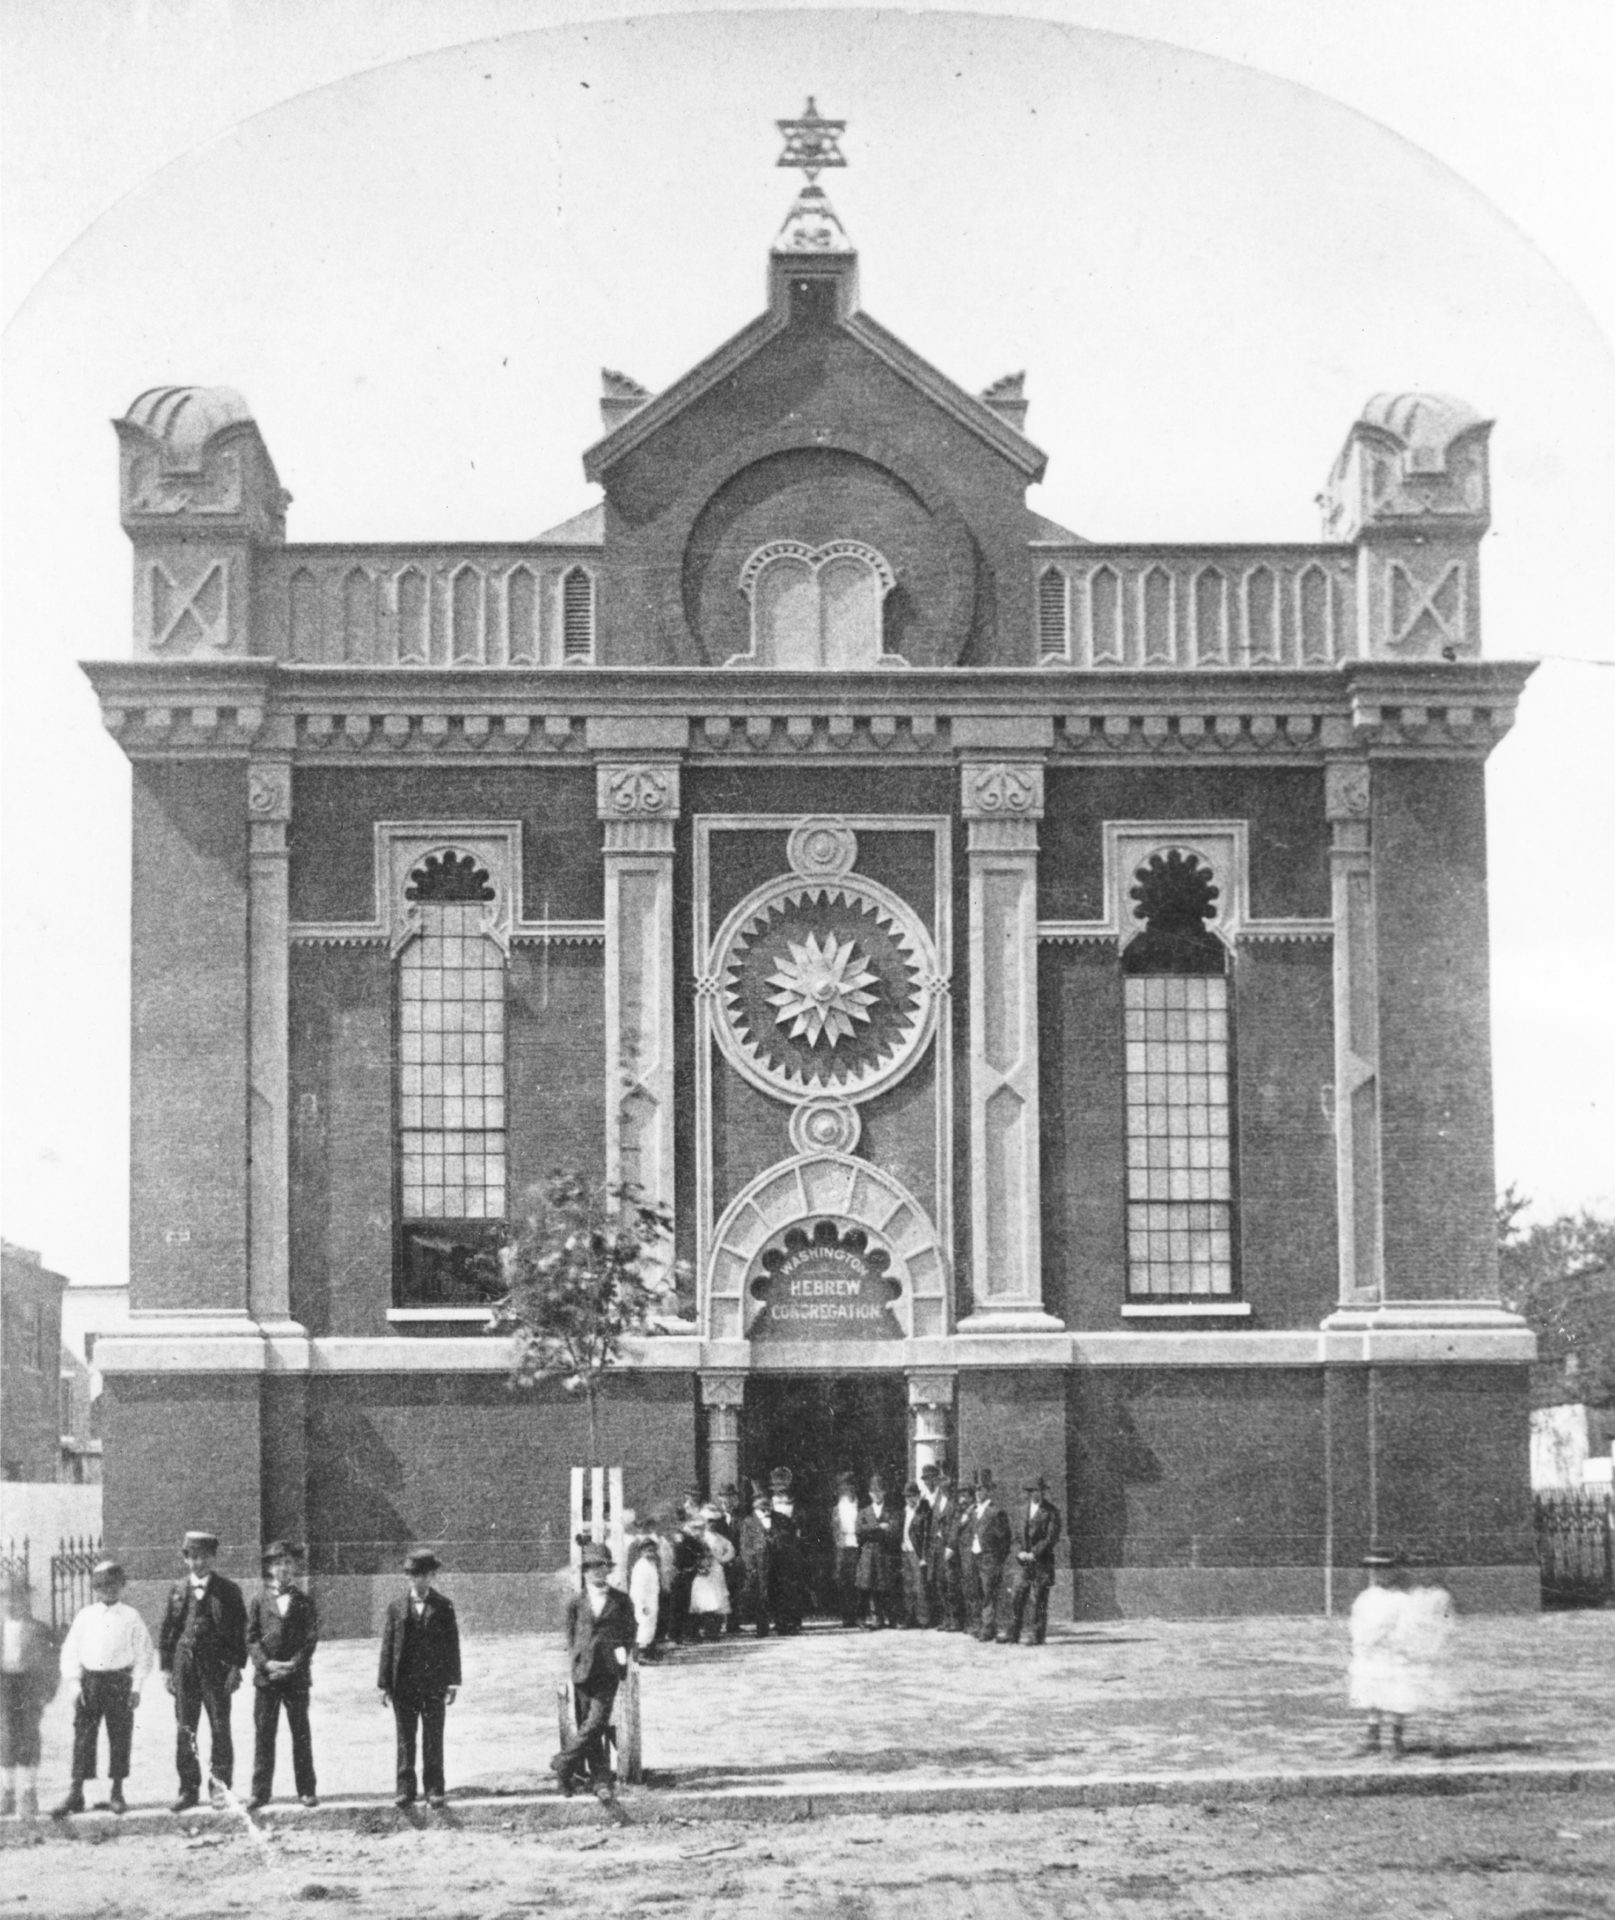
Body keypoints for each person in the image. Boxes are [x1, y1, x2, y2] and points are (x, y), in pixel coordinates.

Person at [52, 1559, 153, 1818]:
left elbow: (143, 1654)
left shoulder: (131, 1617)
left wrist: (137, 1686)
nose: (108, 1590)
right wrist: (75, 1685)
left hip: (120, 1682)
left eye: (113, 1584)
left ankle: (117, 1791)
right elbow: (70, 1652)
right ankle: (76, 1792)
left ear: (122, 1586)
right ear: (95, 1588)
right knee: (84, 1736)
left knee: (120, 1735)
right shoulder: (85, 1617)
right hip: (90, 1682)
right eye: (102, 1585)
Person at [158, 1529, 248, 1811]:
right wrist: (166, 1670)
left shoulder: (229, 1590)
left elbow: (239, 1632)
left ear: (213, 1558)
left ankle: (220, 1789)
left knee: (220, 1727)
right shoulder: (177, 1591)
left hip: (217, 1667)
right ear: (186, 1559)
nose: (199, 1563)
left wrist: (236, 1666)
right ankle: (188, 1789)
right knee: (186, 1728)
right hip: (185, 1667)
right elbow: (168, 1632)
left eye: (204, 1557)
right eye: (193, 1557)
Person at [377, 1548, 461, 1808]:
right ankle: (405, 1788)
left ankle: (435, 1788)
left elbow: (451, 1645)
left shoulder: (444, 1606)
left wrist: (453, 1681)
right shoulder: (396, 1607)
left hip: (433, 1683)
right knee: (405, 1737)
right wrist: (383, 1684)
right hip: (404, 1684)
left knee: (433, 1737)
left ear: (432, 1576)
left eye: (424, 1575)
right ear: (407, 1578)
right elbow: (388, 1647)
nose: (418, 1581)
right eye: (413, 1576)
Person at [551, 1543, 636, 1801]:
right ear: (584, 1572)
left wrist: (621, 1655)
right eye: (592, 1568)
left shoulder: (621, 1600)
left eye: (602, 1567)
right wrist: (575, 1662)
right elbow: (571, 1635)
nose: (597, 1572)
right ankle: (600, 1780)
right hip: (583, 1670)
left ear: (608, 1571)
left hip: (608, 1669)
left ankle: (563, 1761)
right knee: (589, 1725)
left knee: (597, 1720)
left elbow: (629, 1631)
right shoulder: (575, 1603)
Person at [246, 1540, 319, 1811]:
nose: (284, 1568)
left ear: (295, 1567)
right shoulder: (258, 1600)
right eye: (278, 1563)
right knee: (264, 1734)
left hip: (296, 1678)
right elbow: (251, 1637)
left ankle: (307, 1790)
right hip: (267, 1680)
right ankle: (260, 1792)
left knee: (301, 1733)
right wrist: (266, 1664)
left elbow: (311, 1638)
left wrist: (294, 1663)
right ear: (270, 1568)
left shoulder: (304, 1601)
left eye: (288, 1563)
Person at [2, 1572, 60, 1819]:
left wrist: (47, 1691)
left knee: (28, 1737)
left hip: (29, 1687)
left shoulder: (39, 1629)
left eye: (18, 1596)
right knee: (5, 1738)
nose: (12, 1602)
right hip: (4, 1687)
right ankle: (7, 1792)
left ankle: (28, 1792)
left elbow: (51, 1664)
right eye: (6, 1597)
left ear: (27, 1598)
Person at [1348, 1544, 1412, 1756]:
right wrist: (1361, 1643)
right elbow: (1356, 1624)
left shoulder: (1402, 1599)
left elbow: (1405, 1629)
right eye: (1375, 1568)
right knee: (1370, 1695)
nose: (1379, 1573)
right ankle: (1372, 1738)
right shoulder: (1365, 1597)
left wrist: (1388, 1641)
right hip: (1369, 1655)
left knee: (1396, 1695)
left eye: (1385, 1568)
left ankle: (1396, 1740)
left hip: (1392, 1655)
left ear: (1394, 1570)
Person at [1001, 1476, 1063, 1645]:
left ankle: (1037, 1635)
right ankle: (1013, 1632)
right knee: (1017, 1597)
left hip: (1042, 1562)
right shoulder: (1021, 1511)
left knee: (1039, 1599)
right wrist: (1019, 1552)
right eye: (1033, 1491)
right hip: (1023, 1563)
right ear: (1029, 1493)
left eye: (1039, 1491)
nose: (1037, 1494)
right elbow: (1015, 1537)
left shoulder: (1051, 1512)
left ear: (1043, 1492)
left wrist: (1034, 1553)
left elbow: (1051, 1538)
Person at [962, 1471, 1013, 1642]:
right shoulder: (973, 1511)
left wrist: (998, 1559)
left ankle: (988, 1627)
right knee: (975, 1591)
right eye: (976, 1489)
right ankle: (979, 1625)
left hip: (989, 1558)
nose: (978, 1493)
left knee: (988, 1592)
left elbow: (1005, 1539)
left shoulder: (995, 1512)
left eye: (982, 1489)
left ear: (988, 1491)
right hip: (975, 1557)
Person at [855, 1473, 903, 1629]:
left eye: (880, 1491)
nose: (877, 1495)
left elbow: (894, 1531)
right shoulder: (863, 1512)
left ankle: (886, 1618)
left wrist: (874, 1531)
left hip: (884, 1552)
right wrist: (878, 1527)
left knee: (884, 1585)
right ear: (869, 1494)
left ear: (885, 1493)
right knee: (866, 1586)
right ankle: (865, 1618)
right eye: (874, 1492)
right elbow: (859, 1531)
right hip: (868, 1553)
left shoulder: (891, 1511)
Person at [768, 1468, 809, 1632]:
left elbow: (804, 1526)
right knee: (775, 1585)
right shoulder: (768, 1505)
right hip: (774, 1549)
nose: (780, 1491)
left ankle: (794, 1620)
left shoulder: (797, 1506)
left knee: (793, 1586)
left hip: (793, 1549)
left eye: (783, 1487)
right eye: (777, 1487)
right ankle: (779, 1620)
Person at [688, 1504, 735, 1642]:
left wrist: (722, 1560)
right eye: (708, 1521)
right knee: (701, 1601)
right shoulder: (699, 1538)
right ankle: (695, 1632)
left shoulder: (720, 1538)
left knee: (717, 1600)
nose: (711, 1524)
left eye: (713, 1521)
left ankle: (713, 1631)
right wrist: (700, 1564)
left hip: (716, 1571)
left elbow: (731, 1550)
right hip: (702, 1573)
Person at [925, 1468, 964, 1632]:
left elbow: (956, 1526)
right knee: (940, 1583)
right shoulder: (937, 1501)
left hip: (948, 1548)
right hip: (937, 1547)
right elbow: (933, 1523)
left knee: (951, 1583)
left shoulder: (955, 1503)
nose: (944, 1489)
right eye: (941, 1486)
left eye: (947, 1487)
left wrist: (951, 1545)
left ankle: (955, 1620)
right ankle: (945, 1618)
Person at [738, 1484, 777, 1635]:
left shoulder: (776, 1518)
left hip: (774, 1563)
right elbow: (745, 1545)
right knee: (760, 1595)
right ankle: (762, 1626)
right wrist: (750, 1564)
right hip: (757, 1564)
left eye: (765, 1499)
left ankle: (781, 1623)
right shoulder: (748, 1522)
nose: (763, 1503)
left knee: (774, 1592)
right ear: (754, 1503)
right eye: (759, 1499)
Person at [898, 1481, 933, 1628]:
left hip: (916, 1553)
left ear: (918, 1496)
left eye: (913, 1496)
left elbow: (926, 1535)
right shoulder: (904, 1512)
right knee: (907, 1587)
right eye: (907, 1497)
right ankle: (908, 1618)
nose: (910, 1499)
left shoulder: (923, 1513)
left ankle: (923, 1619)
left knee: (920, 1587)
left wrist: (923, 1556)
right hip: (905, 1552)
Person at [831, 1473, 863, 1628]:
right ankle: (846, 1616)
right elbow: (833, 1530)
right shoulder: (837, 1508)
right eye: (845, 1487)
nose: (849, 1490)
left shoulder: (860, 1506)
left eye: (851, 1487)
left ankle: (858, 1615)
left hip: (858, 1546)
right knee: (843, 1583)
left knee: (858, 1581)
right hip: (842, 1548)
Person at [626, 1533, 664, 1662]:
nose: (651, 1553)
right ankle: (641, 1654)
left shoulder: (652, 1564)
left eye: (653, 1551)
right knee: (644, 1626)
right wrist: (642, 1605)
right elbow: (638, 1588)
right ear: (641, 1552)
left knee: (650, 1626)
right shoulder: (641, 1566)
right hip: (643, 1601)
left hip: (652, 1600)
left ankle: (648, 1650)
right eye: (648, 1551)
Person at [713, 1484, 746, 1633]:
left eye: (730, 1498)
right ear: (720, 1499)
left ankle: (733, 1623)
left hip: (738, 1559)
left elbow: (746, 1539)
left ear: (735, 1499)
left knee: (735, 1590)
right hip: (720, 1560)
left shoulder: (742, 1517)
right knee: (719, 1590)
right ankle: (717, 1623)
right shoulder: (715, 1519)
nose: (727, 1502)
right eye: (724, 1498)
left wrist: (740, 1557)